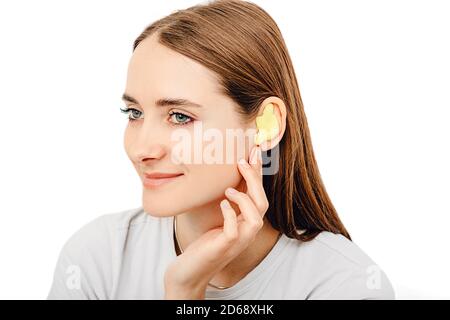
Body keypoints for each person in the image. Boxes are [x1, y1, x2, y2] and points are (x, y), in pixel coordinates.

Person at [47, 0, 395, 299]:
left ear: (266, 126)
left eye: (180, 117)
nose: (141, 149)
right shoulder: (97, 258)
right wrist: (183, 291)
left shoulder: (344, 285)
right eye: (134, 113)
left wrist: (187, 293)